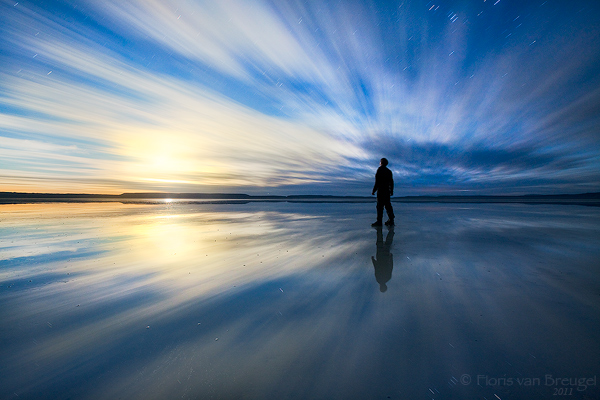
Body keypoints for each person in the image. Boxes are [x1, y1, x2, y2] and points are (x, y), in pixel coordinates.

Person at [371, 158, 395, 227]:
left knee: (380, 206)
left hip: (381, 191)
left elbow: (377, 182)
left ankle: (379, 221)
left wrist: (373, 190)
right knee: (388, 206)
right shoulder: (389, 171)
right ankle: (391, 220)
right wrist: (391, 191)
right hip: (387, 191)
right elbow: (391, 182)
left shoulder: (380, 170)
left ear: (381, 163)